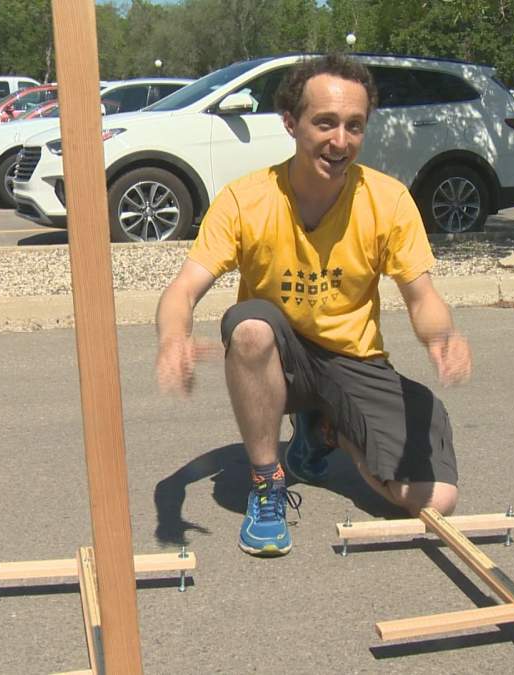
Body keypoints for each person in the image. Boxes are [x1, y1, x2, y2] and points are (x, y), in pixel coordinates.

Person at [154, 54, 472, 557]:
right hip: (281, 354)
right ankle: (267, 483)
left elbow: (422, 296)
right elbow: (183, 290)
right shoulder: (246, 200)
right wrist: (173, 338)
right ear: (291, 123)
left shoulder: (387, 200)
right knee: (250, 329)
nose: (339, 141)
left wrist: (441, 338)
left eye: (353, 126)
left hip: (353, 360)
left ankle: (324, 431)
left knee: (434, 499)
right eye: (324, 123)